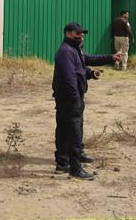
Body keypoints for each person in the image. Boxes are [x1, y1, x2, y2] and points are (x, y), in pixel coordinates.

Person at [52, 22, 121, 180]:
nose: (81, 36)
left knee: (65, 129)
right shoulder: (65, 52)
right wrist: (75, 99)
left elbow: (86, 62)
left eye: (82, 33)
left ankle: (62, 163)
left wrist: (110, 58)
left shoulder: (75, 50)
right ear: (68, 33)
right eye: (78, 33)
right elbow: (69, 78)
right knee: (73, 131)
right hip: (69, 98)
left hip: (70, 97)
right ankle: (75, 168)